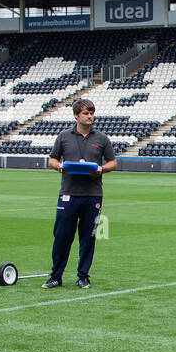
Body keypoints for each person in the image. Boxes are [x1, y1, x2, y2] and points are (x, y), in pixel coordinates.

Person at [45, 98, 116, 289]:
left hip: (93, 195)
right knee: (61, 236)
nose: (90, 116)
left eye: (92, 113)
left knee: (88, 237)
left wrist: (101, 169)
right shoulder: (63, 137)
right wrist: (59, 166)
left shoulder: (101, 138)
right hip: (68, 193)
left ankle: (83, 276)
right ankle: (55, 276)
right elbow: (52, 159)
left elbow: (113, 162)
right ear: (76, 115)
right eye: (86, 113)